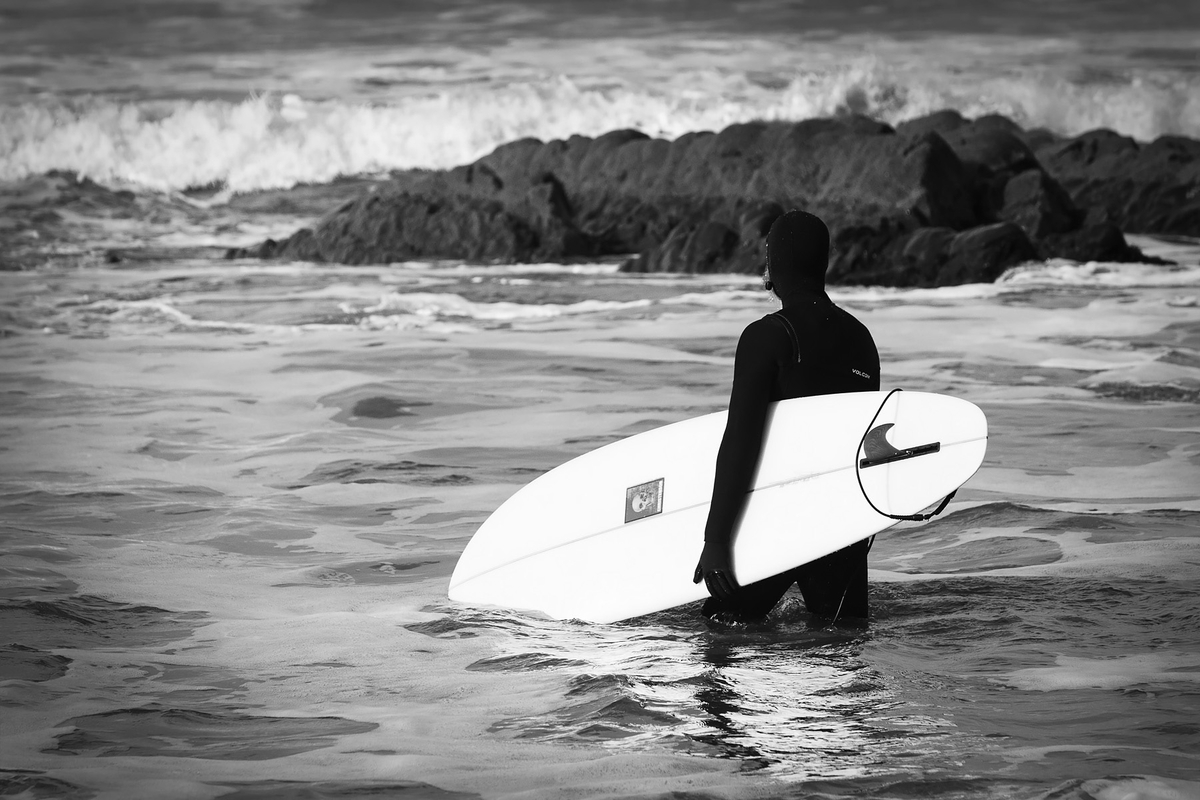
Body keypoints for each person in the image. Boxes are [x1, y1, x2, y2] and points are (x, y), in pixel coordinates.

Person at [692, 209, 880, 623]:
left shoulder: (767, 336)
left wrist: (717, 539)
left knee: (720, 637)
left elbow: (741, 441)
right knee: (842, 649)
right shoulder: (861, 339)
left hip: (777, 520)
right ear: (824, 264)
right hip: (842, 529)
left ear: (772, 264)